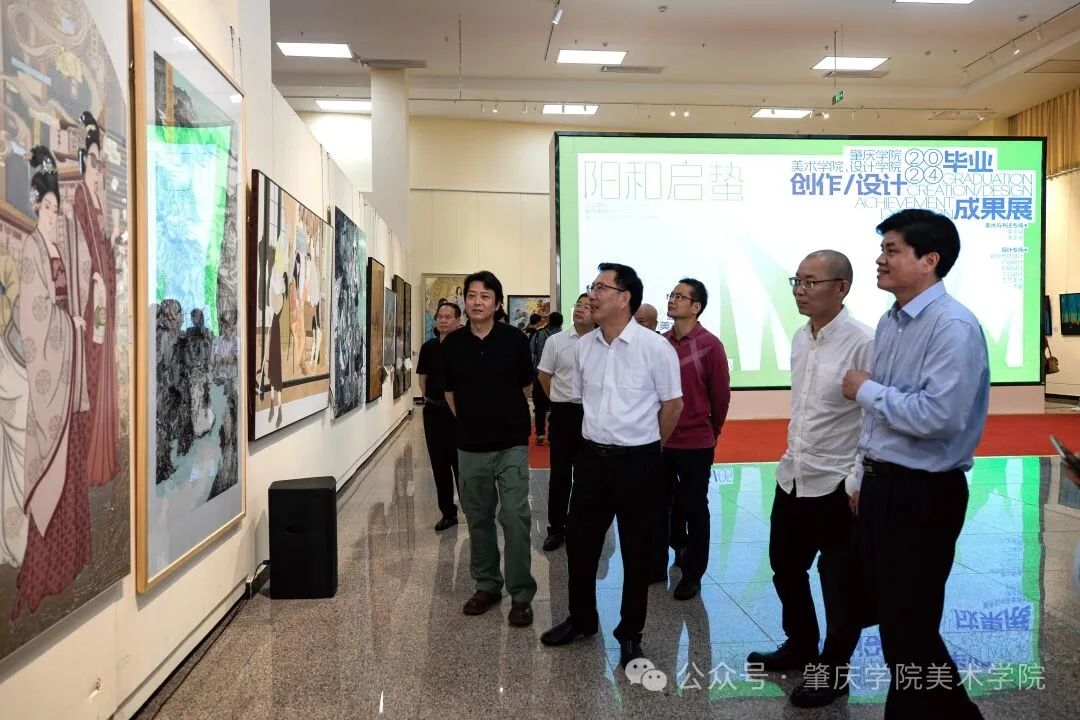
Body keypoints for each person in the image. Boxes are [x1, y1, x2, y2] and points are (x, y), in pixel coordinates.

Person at [842, 209, 989, 719]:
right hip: (884, 487)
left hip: (924, 493)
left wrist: (866, 390)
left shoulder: (953, 326)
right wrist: (862, 475)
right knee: (899, 622)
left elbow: (940, 417)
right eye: (882, 249)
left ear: (930, 260)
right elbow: (883, 421)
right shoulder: (891, 320)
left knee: (909, 623)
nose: (880, 260)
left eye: (892, 250)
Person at [746, 251, 873, 709]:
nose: (800, 290)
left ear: (841, 288)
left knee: (839, 582)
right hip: (794, 476)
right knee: (785, 565)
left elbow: (874, 418)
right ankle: (801, 644)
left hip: (837, 482)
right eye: (796, 281)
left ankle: (834, 670)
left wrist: (857, 479)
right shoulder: (802, 337)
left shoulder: (864, 341)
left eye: (810, 282)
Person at [541, 263, 683, 667]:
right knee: (580, 544)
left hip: (638, 462)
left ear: (624, 298)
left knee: (637, 552)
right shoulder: (584, 346)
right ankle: (582, 619)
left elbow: (673, 406)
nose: (592, 295)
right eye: (592, 287)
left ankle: (630, 633)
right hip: (591, 461)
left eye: (601, 288)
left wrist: (650, 446)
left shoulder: (655, 348)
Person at [13, 147, 90, 618]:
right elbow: (34, 317)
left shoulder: (58, 248)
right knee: (52, 478)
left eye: (56, 210)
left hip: (70, 377)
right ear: (36, 206)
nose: (52, 216)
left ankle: (71, 560)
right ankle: (44, 574)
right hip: (51, 381)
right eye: (47, 208)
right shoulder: (31, 251)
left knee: (72, 476)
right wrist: (69, 324)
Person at [443, 270, 537, 627]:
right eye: (472, 295)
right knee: (478, 517)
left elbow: (526, 387)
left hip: (511, 443)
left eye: (485, 296)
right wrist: (472, 421)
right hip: (470, 447)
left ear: (497, 303)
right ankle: (487, 584)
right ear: (464, 301)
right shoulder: (453, 344)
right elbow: (449, 393)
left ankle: (521, 593)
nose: (477, 302)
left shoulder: (514, 339)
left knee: (515, 516)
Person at [651, 278, 730, 601]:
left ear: (696, 307)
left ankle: (693, 573)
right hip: (660, 440)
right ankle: (659, 562)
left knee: (696, 507)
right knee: (659, 505)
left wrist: (712, 432)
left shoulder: (710, 345)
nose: (672, 300)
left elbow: (720, 397)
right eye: (672, 295)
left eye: (680, 297)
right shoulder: (660, 343)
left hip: (696, 442)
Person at [72, 111, 119, 488]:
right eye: (92, 158)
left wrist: (113, 238)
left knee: (103, 373)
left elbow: (102, 244)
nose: (96, 166)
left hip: (104, 295)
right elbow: (81, 247)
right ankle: (88, 459)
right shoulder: (79, 197)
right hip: (91, 298)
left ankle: (102, 458)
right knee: (90, 375)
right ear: (84, 158)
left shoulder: (98, 200)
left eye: (100, 160)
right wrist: (95, 278)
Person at [536, 299, 591, 551]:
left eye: (587, 306)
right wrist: (559, 401)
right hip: (564, 413)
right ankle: (556, 529)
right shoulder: (555, 341)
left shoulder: (603, 342)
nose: (580, 309)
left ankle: (580, 526)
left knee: (587, 476)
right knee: (560, 474)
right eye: (578, 304)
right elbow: (544, 377)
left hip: (593, 415)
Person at [417, 301, 462, 532]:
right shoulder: (429, 347)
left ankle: (472, 511)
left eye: (448, 317)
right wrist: (429, 398)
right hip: (434, 412)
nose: (443, 320)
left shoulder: (464, 347)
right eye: (440, 316)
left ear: (458, 320)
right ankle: (448, 513)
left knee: (461, 464)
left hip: (457, 413)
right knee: (439, 464)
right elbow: (422, 378)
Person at [530, 311, 561, 445]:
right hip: (558, 378)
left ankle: (540, 433)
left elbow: (531, 355)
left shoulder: (538, 335)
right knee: (556, 407)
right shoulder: (564, 337)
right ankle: (552, 435)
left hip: (540, 375)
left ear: (549, 321)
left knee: (540, 406)